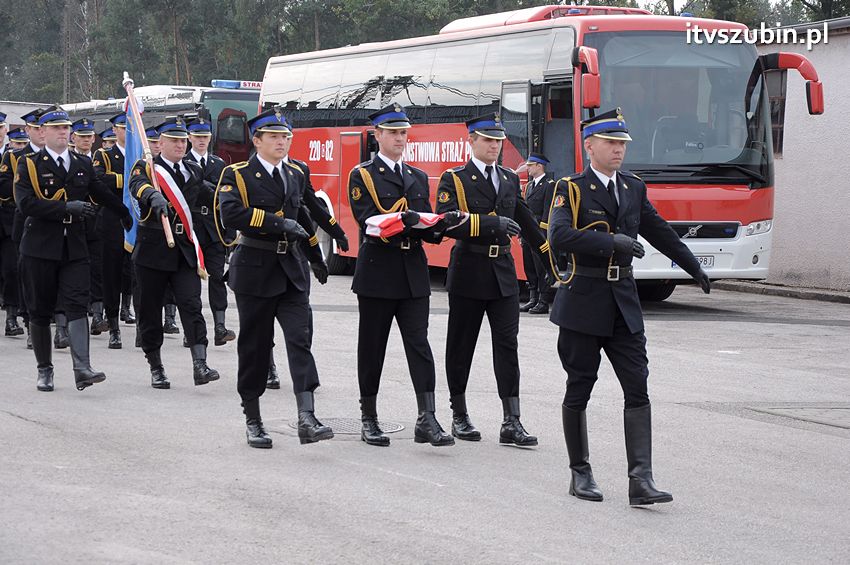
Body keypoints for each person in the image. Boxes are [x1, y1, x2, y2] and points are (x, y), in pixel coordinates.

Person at [548, 108, 711, 505]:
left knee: (637, 386)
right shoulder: (571, 188)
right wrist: (611, 242)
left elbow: (659, 230)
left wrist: (693, 267)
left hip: (623, 302)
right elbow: (559, 236)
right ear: (590, 145)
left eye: (622, 143)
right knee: (580, 386)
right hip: (583, 302)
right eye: (611, 142)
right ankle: (580, 472)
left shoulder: (633, 187)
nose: (618, 149)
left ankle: (641, 479)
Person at [217, 107, 333, 449]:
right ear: (257, 140)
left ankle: (307, 416)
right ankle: (253, 418)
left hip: (291, 270)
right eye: (274, 137)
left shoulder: (294, 173)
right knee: (255, 346)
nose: (282, 142)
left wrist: (316, 256)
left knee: (300, 339)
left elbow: (303, 218)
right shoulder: (237, 174)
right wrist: (278, 223)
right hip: (255, 269)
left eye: (286, 136)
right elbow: (231, 214)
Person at [348, 104, 461, 447]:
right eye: (394, 132)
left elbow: (425, 222)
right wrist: (406, 220)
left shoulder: (417, 176)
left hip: (412, 272)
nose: (400, 138)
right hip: (378, 271)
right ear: (378, 135)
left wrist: (442, 226)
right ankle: (369, 418)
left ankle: (427, 417)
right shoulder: (363, 175)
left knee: (419, 345)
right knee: (373, 347)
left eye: (403, 133)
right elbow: (368, 221)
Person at [436, 113, 552, 446]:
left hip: (502, 273)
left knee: (507, 346)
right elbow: (446, 221)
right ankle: (459, 414)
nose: (495, 146)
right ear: (471, 140)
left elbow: (526, 222)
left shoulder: (509, 178)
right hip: (469, 272)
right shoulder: (455, 178)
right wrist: (492, 224)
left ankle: (511, 420)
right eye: (488, 140)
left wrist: (551, 261)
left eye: (498, 140)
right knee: (461, 346)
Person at [14, 108, 132, 392]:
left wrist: (125, 212)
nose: (63, 132)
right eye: (56, 128)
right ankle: (45, 369)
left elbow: (99, 191)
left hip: (74, 247)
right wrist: (65, 207)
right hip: (40, 247)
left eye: (65, 127)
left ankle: (82, 368)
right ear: (42, 132)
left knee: (78, 304)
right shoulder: (29, 163)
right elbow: (25, 204)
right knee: (40, 310)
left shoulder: (81, 162)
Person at [128, 117, 221, 389]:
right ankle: (156, 366)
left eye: (183, 140)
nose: (180, 145)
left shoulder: (193, 170)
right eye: (174, 141)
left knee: (191, 305)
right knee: (150, 310)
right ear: (161, 143)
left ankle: (200, 364)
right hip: (153, 250)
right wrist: (151, 195)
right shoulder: (147, 167)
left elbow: (208, 195)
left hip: (183, 250)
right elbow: (137, 185)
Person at [183, 118, 234, 346]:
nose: (201, 140)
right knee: (190, 282)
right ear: (190, 138)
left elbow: (227, 198)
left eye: (205, 136)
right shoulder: (183, 163)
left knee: (217, 277)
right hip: (191, 227)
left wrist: (229, 234)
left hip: (213, 229)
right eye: (197, 136)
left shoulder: (218, 164)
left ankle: (220, 326)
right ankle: (191, 328)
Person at [520, 152, 557, 315]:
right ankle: (533, 298)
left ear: (539, 166)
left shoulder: (549, 185)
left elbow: (549, 210)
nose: (527, 168)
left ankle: (543, 301)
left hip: (539, 233)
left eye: (530, 165)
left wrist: (543, 234)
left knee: (541, 267)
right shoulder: (529, 186)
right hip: (527, 232)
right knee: (529, 266)